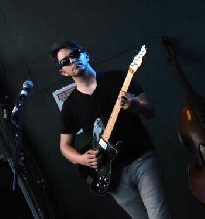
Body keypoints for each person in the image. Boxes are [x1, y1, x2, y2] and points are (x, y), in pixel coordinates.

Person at [50, 40, 171, 219]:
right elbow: (64, 147)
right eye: (65, 61)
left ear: (86, 55)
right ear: (63, 71)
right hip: (112, 176)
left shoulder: (119, 78)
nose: (72, 61)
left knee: (159, 216)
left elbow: (150, 110)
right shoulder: (70, 107)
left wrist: (136, 106)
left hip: (142, 159)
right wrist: (82, 159)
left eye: (75, 54)